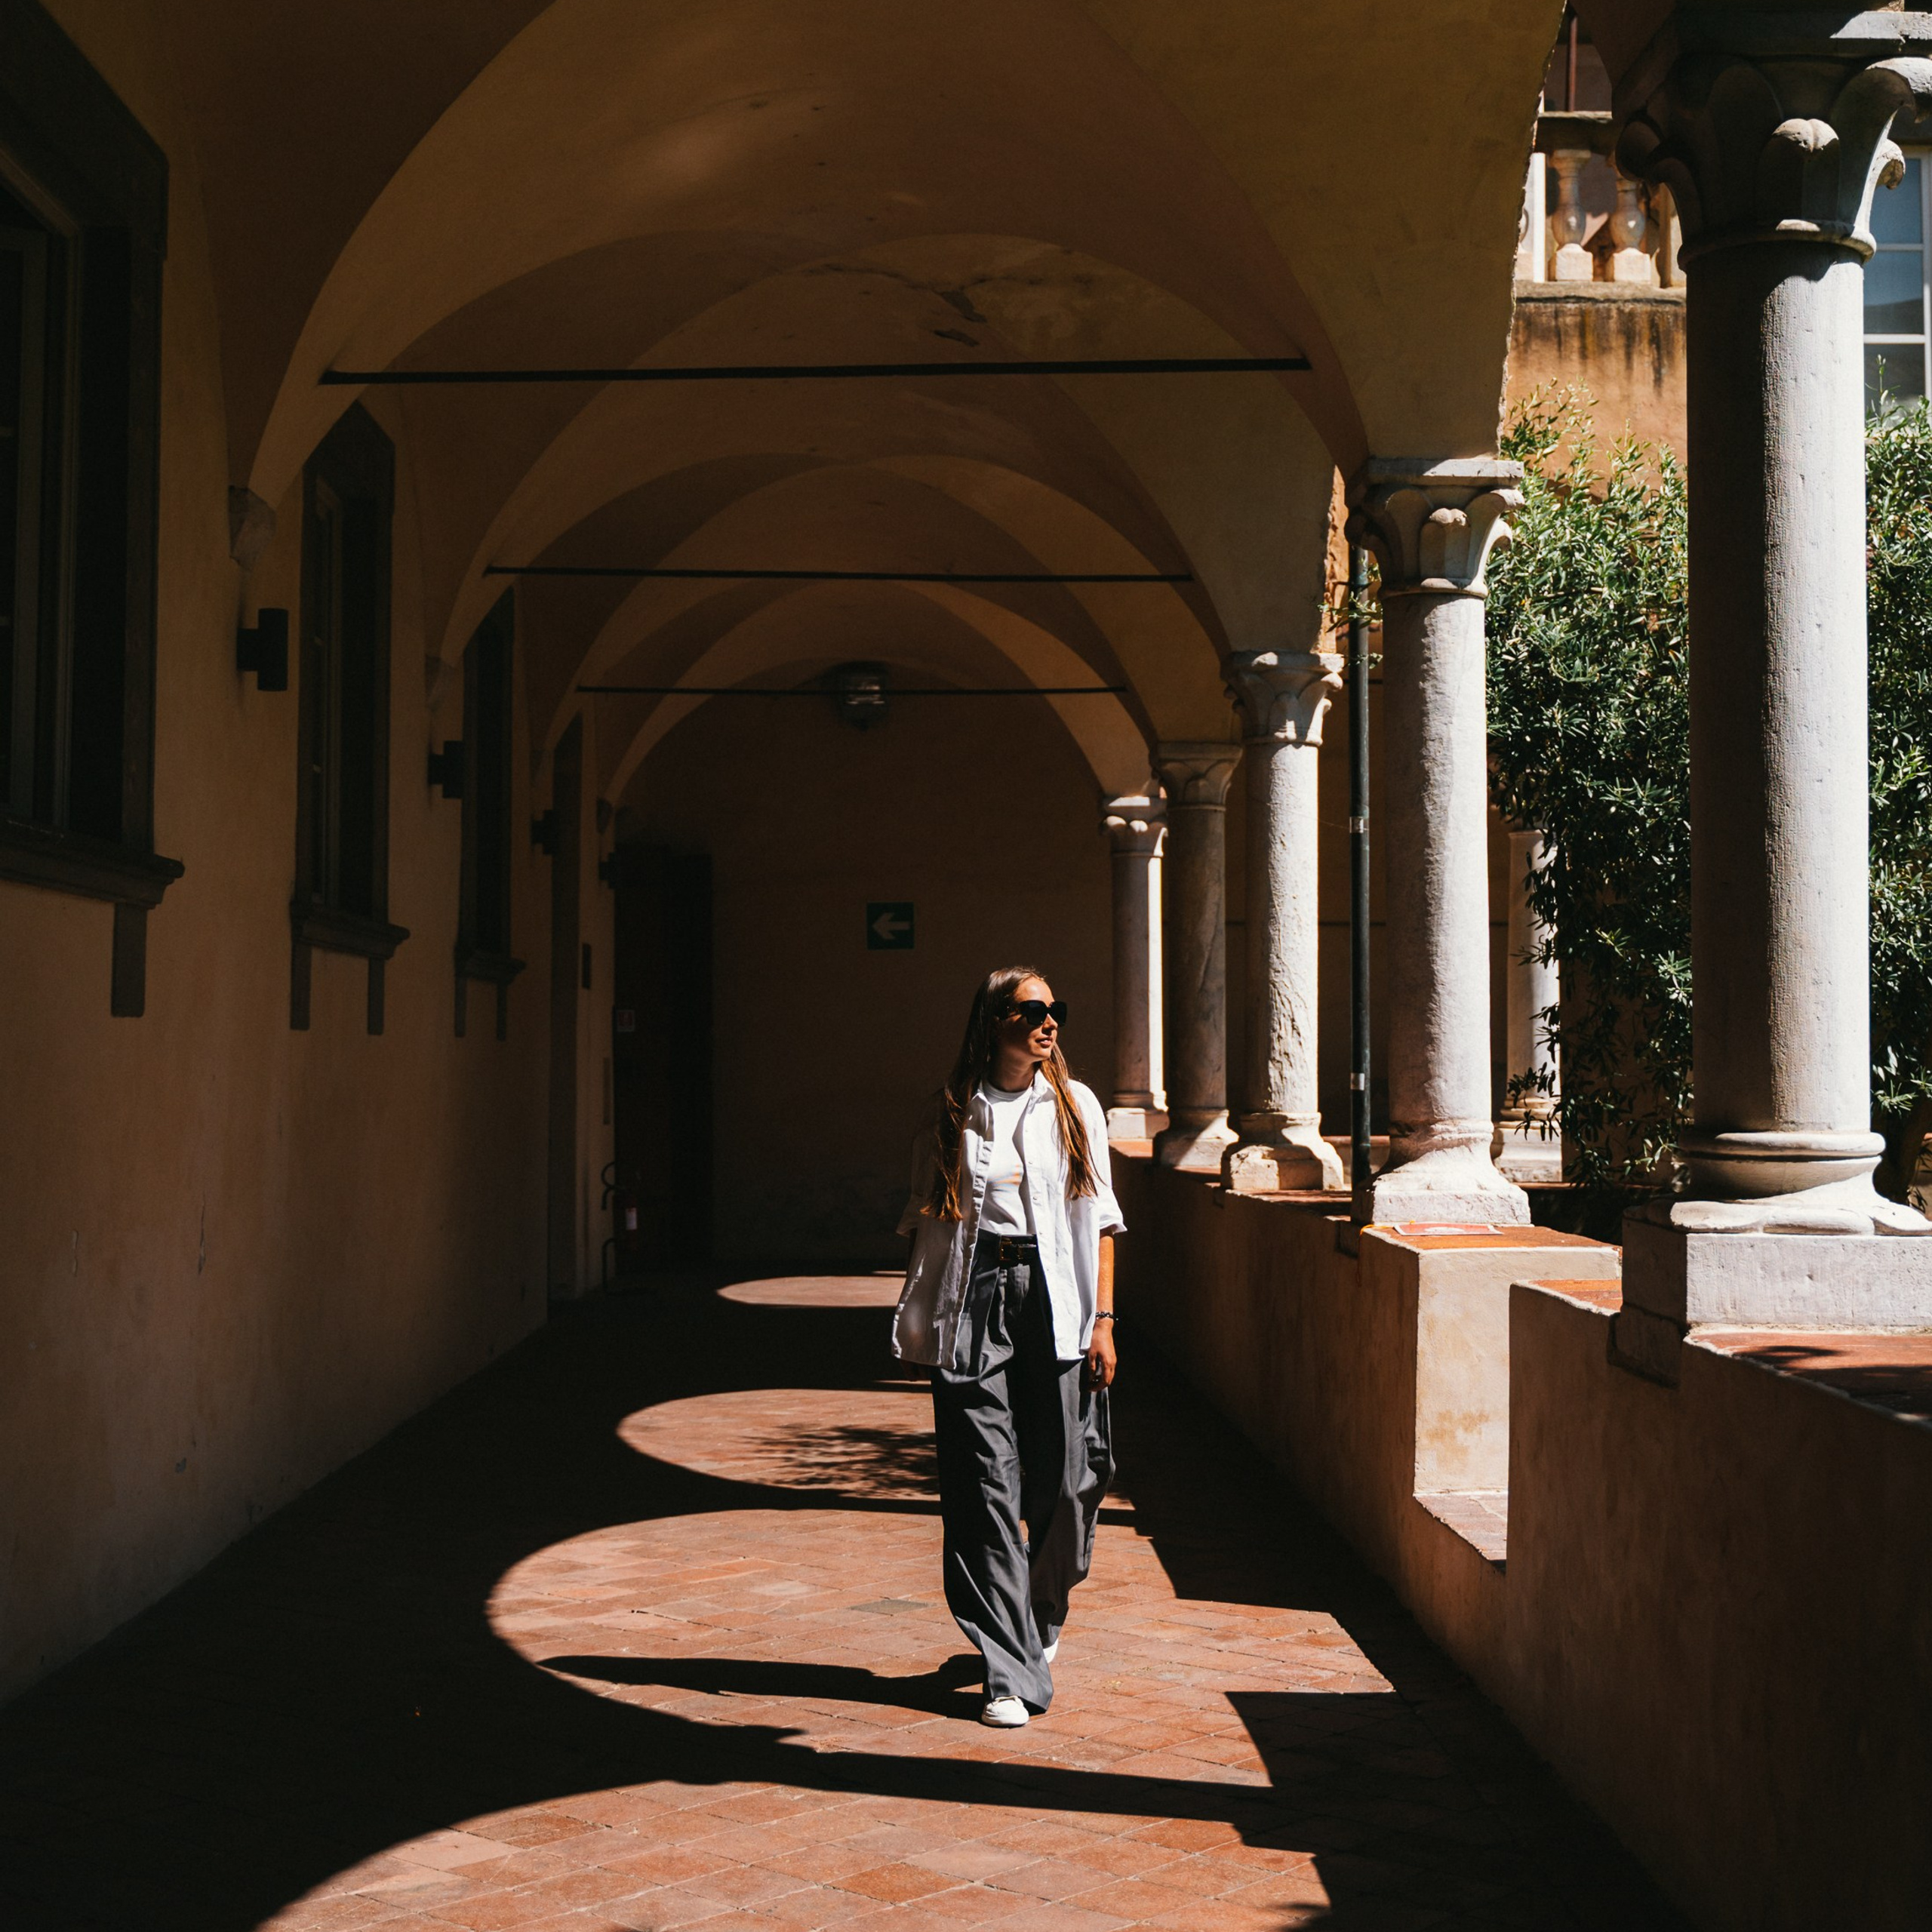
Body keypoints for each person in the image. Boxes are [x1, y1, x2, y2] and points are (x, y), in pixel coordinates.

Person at [893, 965, 1123, 1727]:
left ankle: (1039, 1611)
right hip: (973, 1299)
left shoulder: (1073, 1103)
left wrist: (1104, 1321)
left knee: (1066, 1476)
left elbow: (1101, 1215)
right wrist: (916, 1321)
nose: (1049, 1021)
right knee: (981, 1484)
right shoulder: (954, 1110)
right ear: (996, 1021)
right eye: (1032, 1010)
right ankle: (1005, 1670)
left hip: (1054, 1300)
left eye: (1056, 1008)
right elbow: (928, 1226)